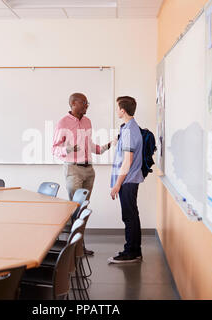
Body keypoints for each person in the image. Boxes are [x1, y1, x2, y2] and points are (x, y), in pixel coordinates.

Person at [52, 93, 114, 255]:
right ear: (73, 104)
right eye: (84, 103)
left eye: (87, 103)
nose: (87, 106)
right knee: (76, 207)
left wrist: (106, 147)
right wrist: (67, 149)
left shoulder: (87, 121)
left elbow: (91, 145)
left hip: (89, 170)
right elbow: (54, 149)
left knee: (84, 209)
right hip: (73, 169)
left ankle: (79, 246)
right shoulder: (63, 123)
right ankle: (73, 248)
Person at [108, 96, 144, 264]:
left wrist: (117, 185)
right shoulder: (129, 128)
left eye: (117, 108)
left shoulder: (129, 130)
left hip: (127, 181)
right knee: (131, 216)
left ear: (123, 110)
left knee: (129, 217)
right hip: (130, 180)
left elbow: (127, 161)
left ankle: (131, 252)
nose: (116, 111)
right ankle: (134, 250)